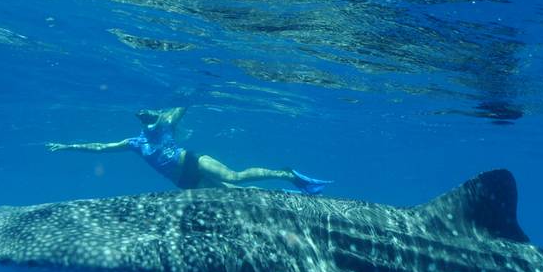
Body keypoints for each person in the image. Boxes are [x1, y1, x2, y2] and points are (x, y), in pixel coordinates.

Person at [46, 106, 332, 193]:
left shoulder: (165, 123)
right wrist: (68, 146)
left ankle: (285, 174)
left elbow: (183, 105)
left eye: (147, 114)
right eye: (139, 117)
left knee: (233, 177)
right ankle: (281, 195)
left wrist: (166, 114)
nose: (143, 118)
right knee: (232, 194)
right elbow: (99, 148)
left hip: (193, 162)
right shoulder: (134, 143)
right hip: (182, 181)